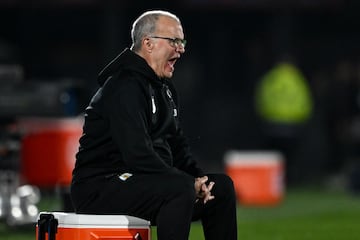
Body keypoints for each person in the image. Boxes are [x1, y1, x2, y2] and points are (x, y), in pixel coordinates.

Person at [70, 10, 237, 240]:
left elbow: (178, 149)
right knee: (179, 188)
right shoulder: (123, 87)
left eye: (182, 41)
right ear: (148, 43)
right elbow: (136, 154)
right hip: (102, 186)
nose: (182, 48)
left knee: (221, 188)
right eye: (175, 41)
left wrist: (200, 181)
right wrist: (187, 183)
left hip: (142, 181)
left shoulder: (165, 89)